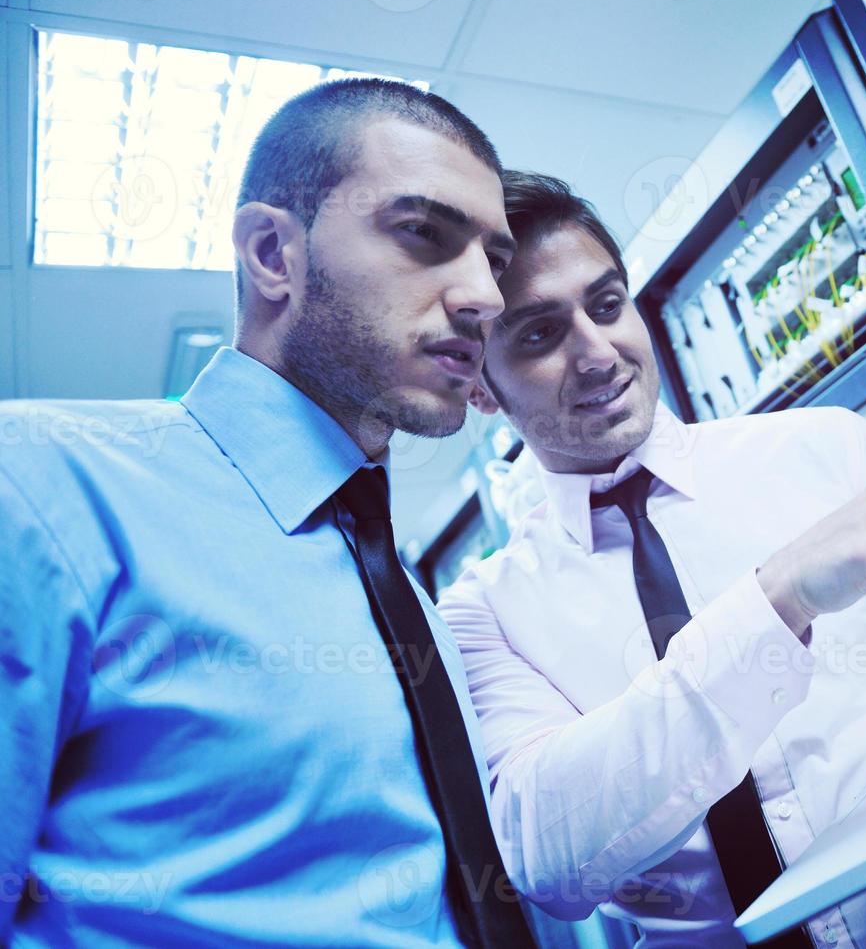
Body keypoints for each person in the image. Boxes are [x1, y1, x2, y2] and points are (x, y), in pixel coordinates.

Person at [439, 172, 866, 947]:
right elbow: (550, 859)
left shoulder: (826, 446)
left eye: (607, 305)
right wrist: (779, 596)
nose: (598, 354)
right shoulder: (483, 611)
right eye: (538, 334)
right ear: (481, 389)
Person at [0, 80, 532, 947]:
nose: (485, 298)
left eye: (495, 262)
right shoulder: (39, 487)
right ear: (272, 254)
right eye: (424, 235)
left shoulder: (411, 604)